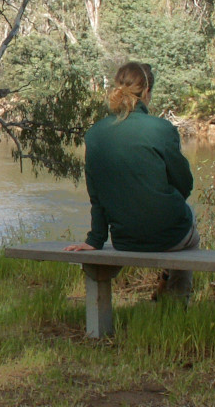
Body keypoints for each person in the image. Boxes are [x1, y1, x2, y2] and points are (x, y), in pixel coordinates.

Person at [64, 61, 199, 300]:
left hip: (125, 240)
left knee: (178, 220)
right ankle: (177, 301)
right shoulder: (162, 129)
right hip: (172, 236)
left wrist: (95, 239)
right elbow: (185, 184)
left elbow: (96, 194)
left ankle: (165, 282)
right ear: (147, 92)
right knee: (190, 225)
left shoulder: (95, 133)